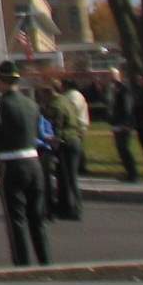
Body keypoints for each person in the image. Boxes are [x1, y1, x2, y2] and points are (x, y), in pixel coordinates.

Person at [0, 61, 50, 267]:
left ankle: (23, 265)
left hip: (11, 163)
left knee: (17, 220)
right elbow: (39, 133)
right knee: (37, 218)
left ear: (0, 80)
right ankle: (46, 261)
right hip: (34, 162)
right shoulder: (32, 104)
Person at [45, 79, 87, 221]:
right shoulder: (65, 101)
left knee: (67, 178)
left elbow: (56, 126)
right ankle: (68, 207)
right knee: (67, 177)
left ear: (50, 92)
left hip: (66, 143)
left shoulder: (55, 105)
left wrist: (53, 144)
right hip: (74, 140)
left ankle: (73, 209)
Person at [107, 72, 140, 183]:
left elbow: (127, 108)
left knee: (124, 148)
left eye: (113, 76)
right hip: (116, 122)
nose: (111, 79)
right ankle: (128, 172)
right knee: (120, 148)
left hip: (123, 123)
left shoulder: (124, 90)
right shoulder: (114, 90)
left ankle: (133, 173)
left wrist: (126, 124)